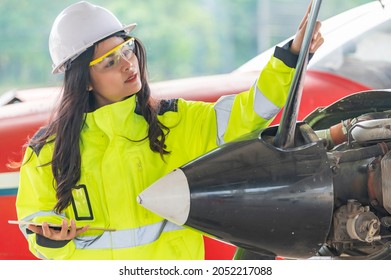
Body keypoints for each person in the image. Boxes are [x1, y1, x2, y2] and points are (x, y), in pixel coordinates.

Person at [15, 1, 323, 260]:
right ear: (83, 79)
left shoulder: (176, 122)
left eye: (127, 49)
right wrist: (51, 239)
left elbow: (250, 111)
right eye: (109, 62)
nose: (127, 64)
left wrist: (291, 57)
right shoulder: (46, 152)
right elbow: (36, 232)